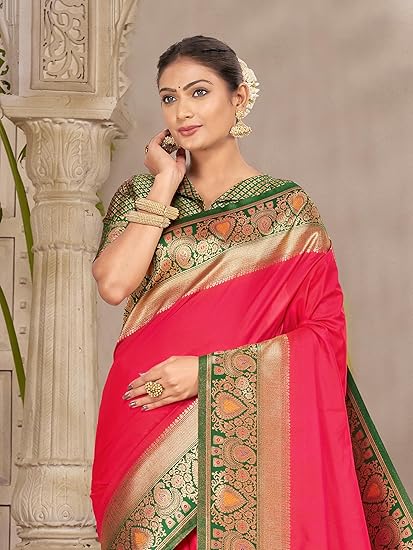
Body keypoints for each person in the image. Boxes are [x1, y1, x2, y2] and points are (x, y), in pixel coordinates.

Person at [90, 35, 412, 550]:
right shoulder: (141, 195)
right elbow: (113, 284)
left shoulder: (289, 212)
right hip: (143, 412)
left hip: (234, 415)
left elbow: (324, 337)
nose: (182, 111)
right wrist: (164, 184)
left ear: (238, 98)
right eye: (169, 97)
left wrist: (207, 374)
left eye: (199, 92)